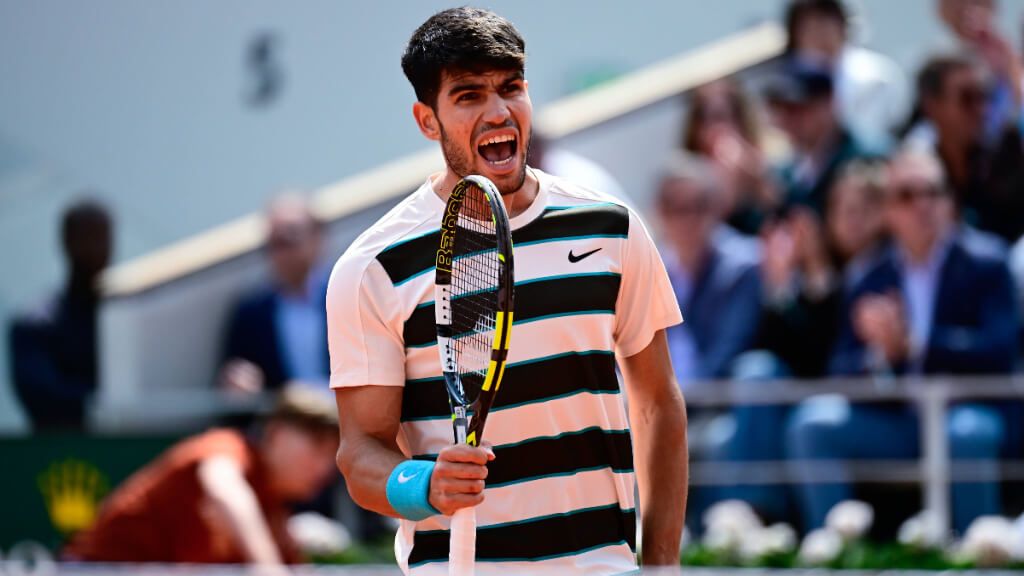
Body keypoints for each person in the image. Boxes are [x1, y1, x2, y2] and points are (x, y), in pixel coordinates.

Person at [327, 8, 688, 574]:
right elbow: (360, 453)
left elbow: (658, 403)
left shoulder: (611, 228)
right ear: (427, 120)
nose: (498, 111)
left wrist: (662, 565)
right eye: (469, 95)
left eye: (511, 88)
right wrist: (425, 485)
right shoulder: (372, 268)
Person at [788, 150, 1020, 533]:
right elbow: (840, 368)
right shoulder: (870, 276)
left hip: (968, 412)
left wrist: (916, 346)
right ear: (888, 211)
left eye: (934, 191)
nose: (923, 205)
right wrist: (880, 354)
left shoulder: (988, 263)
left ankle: (981, 553)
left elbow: (1000, 352)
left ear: (950, 201)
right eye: (907, 195)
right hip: (900, 421)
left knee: (965, 433)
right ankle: (836, 550)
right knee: (813, 424)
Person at [64, 386, 339, 566]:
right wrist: (268, 568)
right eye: (317, 445)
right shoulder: (225, 446)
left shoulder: (275, 515)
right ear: (276, 433)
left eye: (332, 453)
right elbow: (223, 488)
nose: (326, 466)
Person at [657, 152, 761, 383]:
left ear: (716, 208)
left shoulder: (740, 268)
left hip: (717, 398)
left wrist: (675, 399)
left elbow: (725, 355)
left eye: (698, 206)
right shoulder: (650, 271)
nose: (687, 220)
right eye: (676, 208)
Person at [9, 199, 112, 431]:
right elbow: (44, 398)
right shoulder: (35, 323)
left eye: (102, 238)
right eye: (87, 238)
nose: (96, 249)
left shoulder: (126, 321)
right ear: (66, 241)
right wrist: (107, 403)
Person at [906, 54, 1024, 243]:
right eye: (967, 98)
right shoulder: (910, 176)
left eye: (984, 96)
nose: (981, 109)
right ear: (932, 106)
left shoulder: (1011, 157)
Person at [220, 194, 330, 395]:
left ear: (317, 238)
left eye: (290, 239)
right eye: (274, 244)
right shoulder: (251, 312)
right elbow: (231, 378)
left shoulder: (349, 295)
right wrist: (238, 382)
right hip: (283, 414)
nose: (282, 253)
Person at [783, 0, 910, 142]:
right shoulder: (783, 84)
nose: (818, 35)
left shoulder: (876, 78)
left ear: (843, 26)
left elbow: (870, 135)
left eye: (825, 24)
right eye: (808, 28)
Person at [765, 65, 882, 216]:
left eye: (797, 108)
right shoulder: (788, 169)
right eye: (781, 109)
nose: (787, 119)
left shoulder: (866, 156)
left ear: (828, 102)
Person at [681, 78, 780, 235]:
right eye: (704, 117)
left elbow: (780, 205)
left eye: (721, 116)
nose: (713, 128)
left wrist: (752, 172)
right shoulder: (685, 176)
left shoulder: (769, 159)